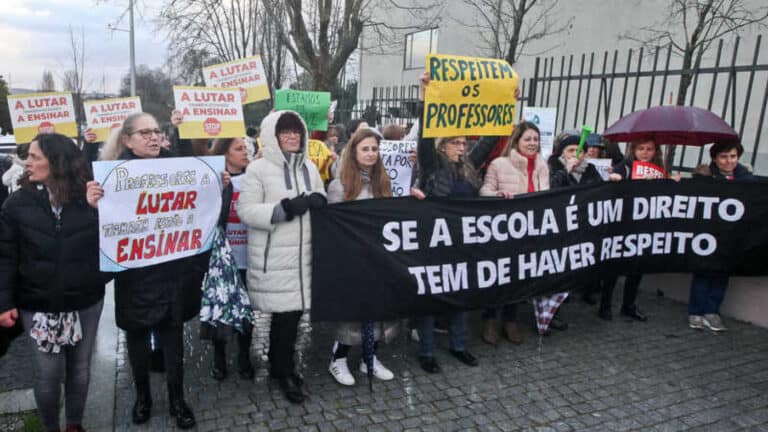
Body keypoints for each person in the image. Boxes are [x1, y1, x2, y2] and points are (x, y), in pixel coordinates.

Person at [92, 112, 209, 429]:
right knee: (138, 343)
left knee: (174, 344)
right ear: (127, 140)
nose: (154, 137)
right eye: (145, 133)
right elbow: (102, 231)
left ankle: (177, 400)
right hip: (135, 278)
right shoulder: (113, 177)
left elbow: (202, 208)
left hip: (172, 274)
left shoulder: (178, 168)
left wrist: (217, 186)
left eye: (157, 131)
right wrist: (92, 207)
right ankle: (142, 397)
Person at [0, 133, 109, 432]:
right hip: (37, 304)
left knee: (80, 369)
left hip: (85, 300)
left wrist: (97, 213)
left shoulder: (91, 198)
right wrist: (4, 303)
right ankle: (51, 428)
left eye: (35, 157)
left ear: (57, 161)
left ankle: (74, 424)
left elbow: (116, 245)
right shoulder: (16, 204)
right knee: (47, 375)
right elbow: (5, 257)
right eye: (28, 156)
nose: (27, 162)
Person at [237, 110, 326, 404]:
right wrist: (283, 209)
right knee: (285, 316)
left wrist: (318, 199)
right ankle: (283, 370)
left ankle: (281, 365)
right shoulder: (258, 169)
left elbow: (321, 194)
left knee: (294, 315)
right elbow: (246, 210)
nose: (292, 136)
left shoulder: (309, 167)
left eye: (296, 131)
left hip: (303, 256)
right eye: (285, 132)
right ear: (273, 137)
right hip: (274, 255)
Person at [411, 72, 494, 373]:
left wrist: (507, 103)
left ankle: (459, 345)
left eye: (463, 143)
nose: (462, 147)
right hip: (435, 240)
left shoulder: (471, 167)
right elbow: (424, 136)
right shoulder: (432, 165)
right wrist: (424, 98)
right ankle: (427, 351)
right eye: (455, 143)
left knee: (461, 294)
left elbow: (491, 137)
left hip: (464, 240)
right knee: (433, 297)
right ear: (443, 146)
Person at [326, 128, 399, 386]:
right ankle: (339, 359)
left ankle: (370, 357)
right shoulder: (340, 186)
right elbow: (336, 226)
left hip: (380, 257)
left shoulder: (384, 182)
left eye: (374, 149)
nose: (370, 154)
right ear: (354, 152)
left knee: (380, 310)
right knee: (353, 314)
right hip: (354, 259)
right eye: (365, 149)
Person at [479, 121, 549, 344]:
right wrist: (497, 194)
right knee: (499, 277)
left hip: (530, 232)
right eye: (527, 139)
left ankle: (510, 320)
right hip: (503, 231)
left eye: (535, 139)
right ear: (517, 141)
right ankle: (490, 319)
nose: (532, 143)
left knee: (520, 277)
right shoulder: (499, 164)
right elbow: (483, 192)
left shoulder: (542, 166)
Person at [202, 137, 255, 380]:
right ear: (224, 154)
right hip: (222, 260)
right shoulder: (213, 180)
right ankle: (219, 358)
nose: (245, 152)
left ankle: (244, 355)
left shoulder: (253, 179)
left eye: (246, 148)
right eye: (239, 148)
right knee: (220, 310)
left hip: (248, 256)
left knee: (246, 310)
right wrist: (224, 190)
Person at [687, 141, 754, 331]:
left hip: (730, 237)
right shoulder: (706, 176)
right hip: (707, 235)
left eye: (733, 156)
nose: (729, 161)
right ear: (715, 158)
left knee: (722, 274)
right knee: (703, 272)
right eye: (724, 156)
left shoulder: (746, 179)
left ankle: (712, 312)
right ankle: (695, 312)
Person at [600, 138, 670, 322]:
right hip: (621, 225)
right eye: (641, 149)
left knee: (637, 268)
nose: (645, 152)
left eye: (649, 149)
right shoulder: (625, 167)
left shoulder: (659, 171)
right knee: (613, 267)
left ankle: (628, 305)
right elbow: (611, 188)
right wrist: (618, 179)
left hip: (643, 226)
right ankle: (605, 306)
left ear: (656, 151)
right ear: (633, 150)